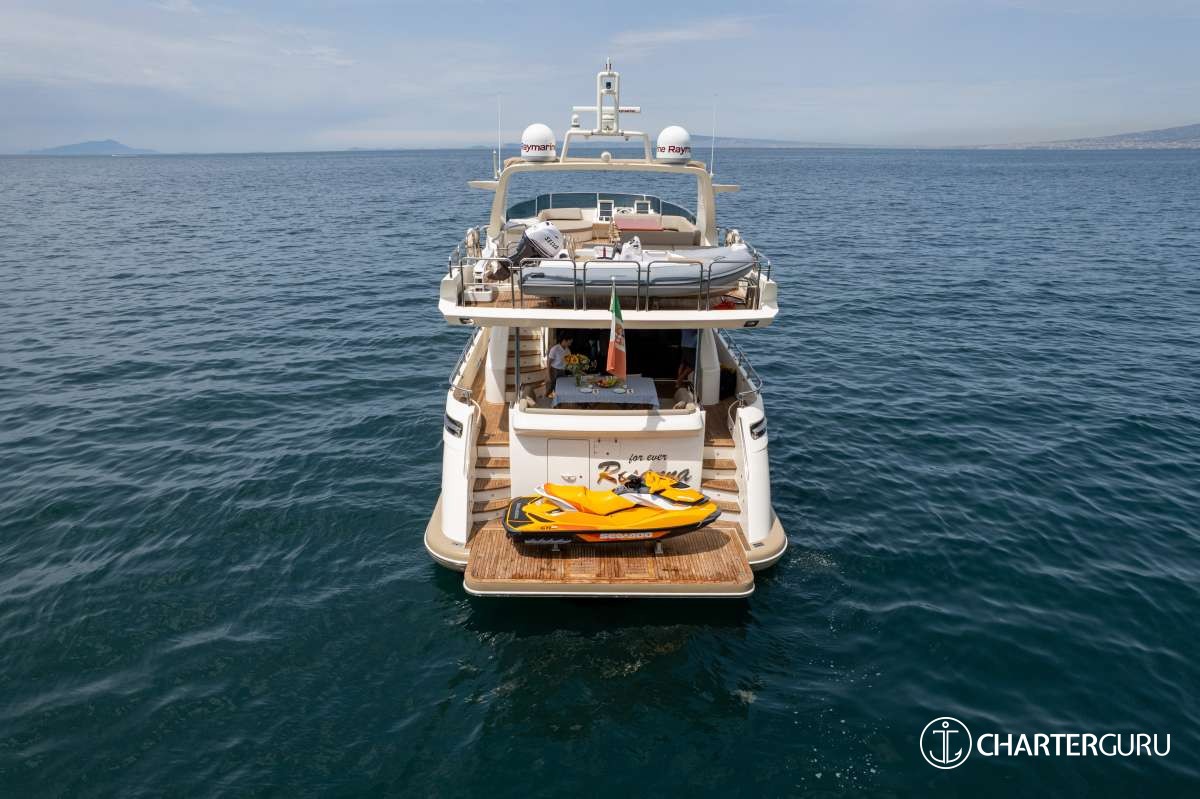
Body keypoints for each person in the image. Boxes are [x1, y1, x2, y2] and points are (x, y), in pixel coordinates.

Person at [547, 332, 572, 397]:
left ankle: (559, 400)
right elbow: (549, 363)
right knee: (553, 388)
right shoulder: (555, 349)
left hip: (563, 371)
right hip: (554, 371)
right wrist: (548, 376)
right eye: (569, 341)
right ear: (564, 340)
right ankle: (551, 400)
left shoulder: (568, 350)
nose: (570, 343)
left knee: (561, 388)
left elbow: (569, 363)